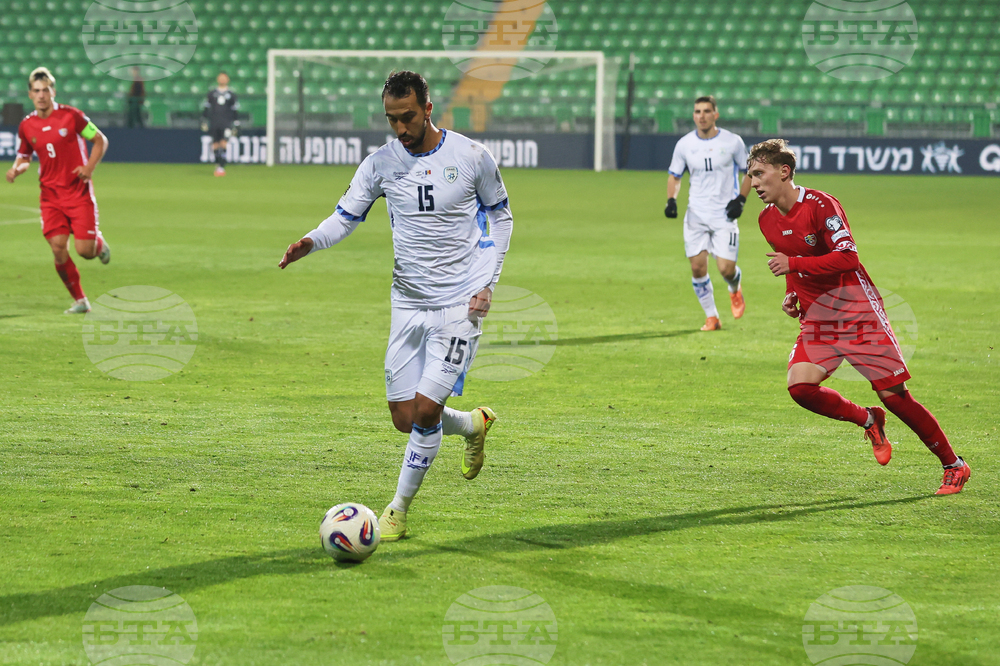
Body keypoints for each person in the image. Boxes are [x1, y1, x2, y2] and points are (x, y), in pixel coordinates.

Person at [278, 71, 512, 540]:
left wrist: (487, 282)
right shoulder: (381, 164)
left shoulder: (470, 157)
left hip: (458, 305)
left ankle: (397, 511)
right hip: (407, 303)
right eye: (391, 120)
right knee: (404, 418)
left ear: (428, 109)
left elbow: (500, 216)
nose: (400, 129)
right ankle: (472, 424)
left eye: (407, 118)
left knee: (425, 412)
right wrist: (311, 241)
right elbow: (345, 216)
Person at [749, 138, 969, 495]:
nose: (754, 183)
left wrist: (795, 264)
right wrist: (791, 292)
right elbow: (788, 260)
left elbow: (847, 258)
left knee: (895, 395)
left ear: (784, 171)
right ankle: (867, 419)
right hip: (818, 319)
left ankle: (954, 465)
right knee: (801, 387)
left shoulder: (821, 205)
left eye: (759, 174)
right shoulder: (766, 220)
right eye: (750, 176)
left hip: (856, 312)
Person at [5, 67, 111, 314]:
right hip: (50, 197)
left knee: (85, 251)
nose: (41, 95)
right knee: (58, 247)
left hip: (77, 193)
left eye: (46, 90)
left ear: (53, 91)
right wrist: (17, 169)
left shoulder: (71, 117)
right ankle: (81, 300)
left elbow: (100, 140)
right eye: (36, 91)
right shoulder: (27, 126)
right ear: (30, 94)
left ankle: (100, 244)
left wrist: (89, 167)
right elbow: (23, 156)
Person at [665, 95, 753, 331]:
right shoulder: (684, 144)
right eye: (697, 111)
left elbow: (750, 172)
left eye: (706, 111)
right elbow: (675, 175)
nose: (701, 116)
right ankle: (711, 317)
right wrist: (671, 200)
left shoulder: (733, 142)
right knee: (697, 267)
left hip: (724, 215)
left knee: (726, 269)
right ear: (693, 115)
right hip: (696, 215)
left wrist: (741, 200)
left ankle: (735, 287)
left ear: (716, 114)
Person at [201, 71, 239, 176]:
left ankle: (221, 167)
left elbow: (235, 110)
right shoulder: (212, 94)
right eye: (220, 77)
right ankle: (218, 164)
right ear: (218, 79)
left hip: (226, 122)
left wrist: (236, 123)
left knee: (224, 143)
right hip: (214, 122)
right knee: (215, 145)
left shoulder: (231, 95)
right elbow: (206, 108)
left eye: (224, 78)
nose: (222, 79)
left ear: (227, 80)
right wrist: (204, 120)